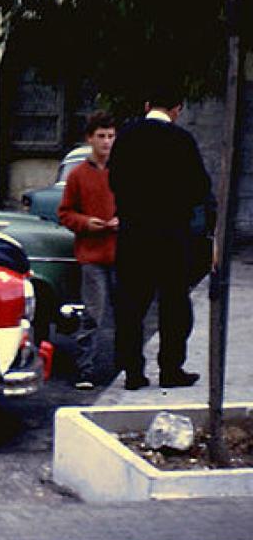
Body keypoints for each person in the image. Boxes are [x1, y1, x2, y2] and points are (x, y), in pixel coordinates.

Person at [108, 80, 214, 390]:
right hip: (171, 235)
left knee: (131, 306)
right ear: (177, 109)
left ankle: (132, 371)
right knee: (174, 305)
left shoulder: (126, 136)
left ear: (146, 106)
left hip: (133, 234)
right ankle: (170, 368)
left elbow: (114, 180)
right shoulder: (181, 140)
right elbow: (199, 187)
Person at [57, 111, 117, 390]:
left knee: (127, 314)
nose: (107, 142)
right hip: (92, 255)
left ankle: (127, 367)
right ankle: (85, 369)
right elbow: (65, 213)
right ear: (90, 139)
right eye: (101, 136)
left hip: (122, 254)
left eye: (111, 136)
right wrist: (85, 223)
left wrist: (123, 220)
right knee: (93, 314)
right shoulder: (78, 175)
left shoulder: (124, 170)